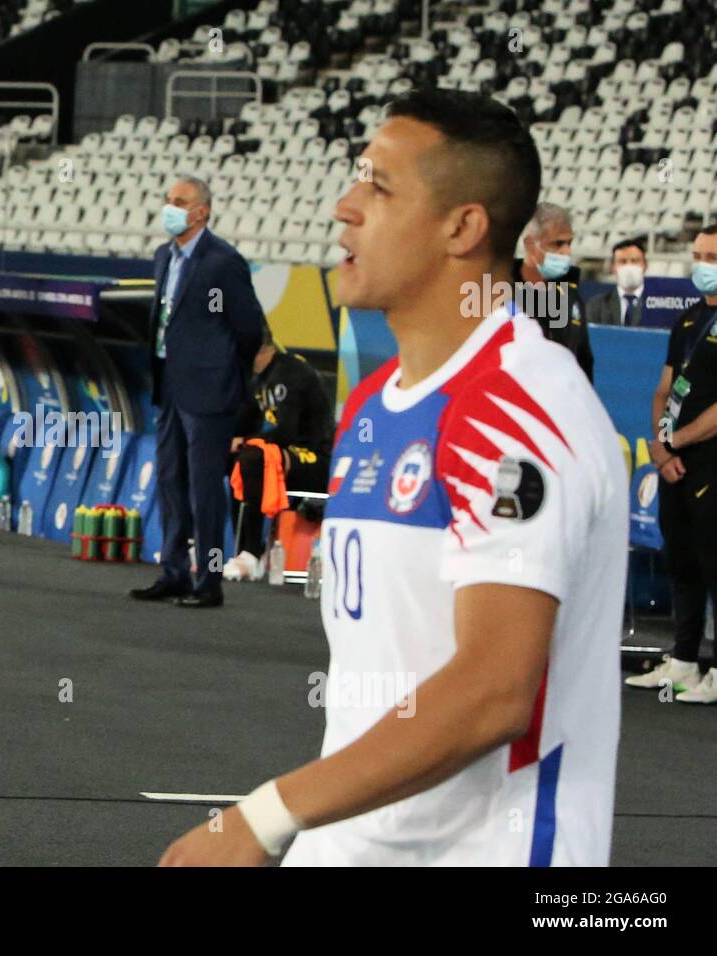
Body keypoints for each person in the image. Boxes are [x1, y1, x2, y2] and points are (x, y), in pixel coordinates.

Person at [161, 88, 626, 866]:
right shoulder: (377, 402)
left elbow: (491, 690)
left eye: (377, 186)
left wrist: (264, 816)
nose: (345, 206)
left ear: (464, 226)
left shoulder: (514, 404)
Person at [129, 174, 263, 609]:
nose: (170, 206)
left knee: (205, 488)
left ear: (201, 211)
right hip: (169, 383)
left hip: (209, 390)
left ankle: (208, 579)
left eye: (180, 201)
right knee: (170, 478)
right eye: (167, 199)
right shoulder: (163, 256)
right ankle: (173, 572)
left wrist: (223, 371)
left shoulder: (222, 262)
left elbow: (247, 328)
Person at [629, 224, 717, 703]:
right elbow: (665, 387)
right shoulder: (686, 321)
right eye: (699, 255)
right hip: (675, 464)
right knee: (681, 562)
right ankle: (684, 662)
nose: (703, 265)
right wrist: (660, 450)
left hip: (710, 464)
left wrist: (678, 440)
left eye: (713, 257)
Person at [223, 337, 334, 581]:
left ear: (262, 350)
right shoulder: (258, 380)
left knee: (253, 458)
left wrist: (247, 441)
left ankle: (251, 553)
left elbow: (288, 432)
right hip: (287, 452)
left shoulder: (289, 373)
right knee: (230, 459)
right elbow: (244, 421)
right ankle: (227, 547)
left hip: (316, 457)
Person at [514, 202, 594, 381]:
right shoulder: (501, 296)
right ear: (530, 245)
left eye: (569, 243)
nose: (566, 252)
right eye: (557, 244)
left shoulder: (571, 297)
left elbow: (584, 360)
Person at [587, 237, 646, 327]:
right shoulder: (596, 306)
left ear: (645, 265)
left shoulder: (656, 306)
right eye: (622, 261)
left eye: (634, 261)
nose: (629, 266)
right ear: (613, 267)